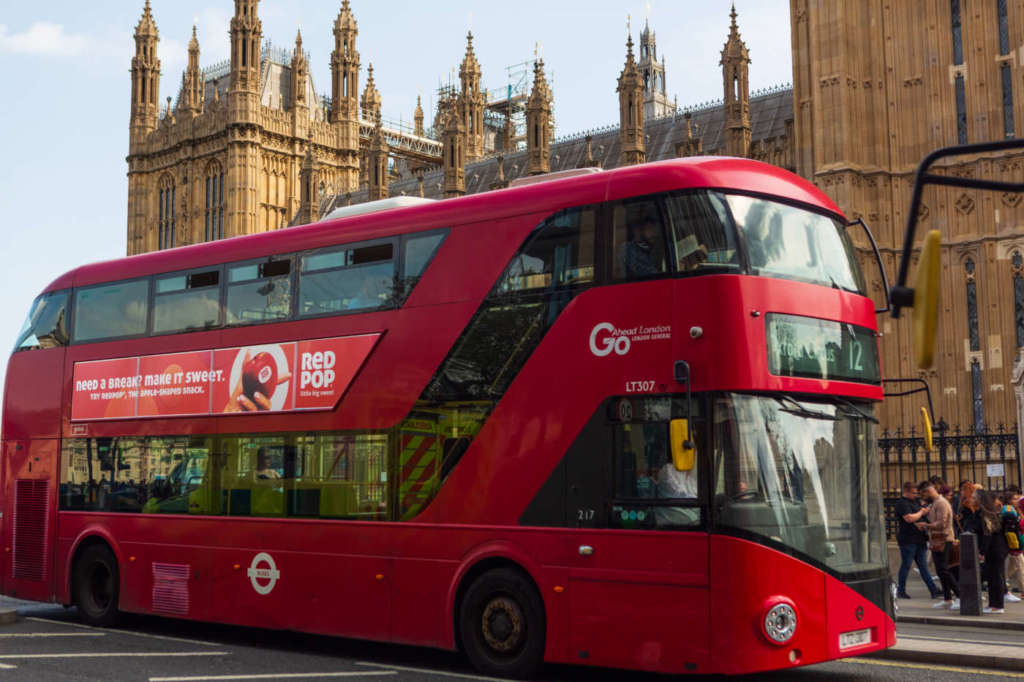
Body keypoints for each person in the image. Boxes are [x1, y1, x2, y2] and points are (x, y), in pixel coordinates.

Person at [894, 481, 941, 599]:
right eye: (914, 493)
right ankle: (901, 590)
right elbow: (909, 518)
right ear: (906, 492)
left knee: (923, 566)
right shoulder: (902, 503)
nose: (916, 495)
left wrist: (925, 512)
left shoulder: (915, 502)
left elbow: (921, 515)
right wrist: (921, 512)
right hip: (908, 539)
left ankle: (933, 590)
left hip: (919, 538)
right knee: (906, 565)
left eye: (916, 493)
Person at [918, 481, 960, 609]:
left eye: (923, 494)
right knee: (941, 570)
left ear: (928, 491)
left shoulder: (941, 503)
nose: (922, 498)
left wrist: (926, 525)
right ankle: (948, 599)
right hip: (938, 539)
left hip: (944, 539)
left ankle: (960, 596)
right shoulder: (936, 503)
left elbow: (942, 523)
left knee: (944, 569)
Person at [979, 490, 1010, 613]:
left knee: (996, 577)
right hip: (998, 548)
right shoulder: (995, 514)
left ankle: (997, 605)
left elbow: (988, 535)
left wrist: (982, 551)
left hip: (996, 549)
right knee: (993, 577)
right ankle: (993, 604)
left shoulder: (990, 515)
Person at [617, 210, 664, 278]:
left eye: (654, 229)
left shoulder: (649, 248)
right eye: (649, 229)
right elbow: (650, 274)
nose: (654, 233)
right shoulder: (628, 248)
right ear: (638, 230)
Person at [1002, 486, 1024, 602]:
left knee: (1008, 570)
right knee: (1020, 568)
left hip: (1015, 544)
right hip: (1014, 545)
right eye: (1014, 499)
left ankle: (1000, 586)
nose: (1017, 501)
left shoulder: (1015, 510)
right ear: (1009, 500)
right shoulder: (1008, 511)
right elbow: (1012, 530)